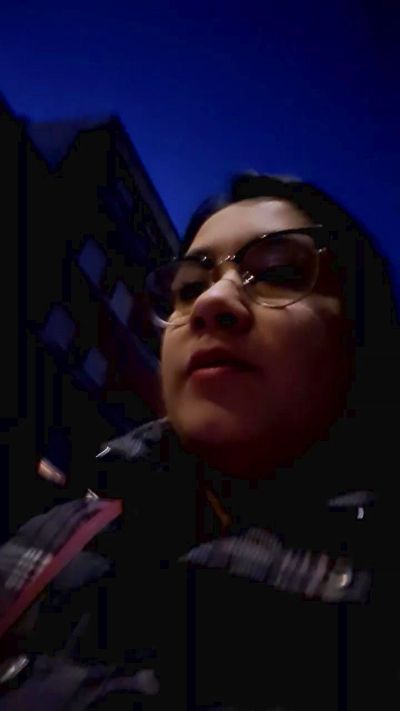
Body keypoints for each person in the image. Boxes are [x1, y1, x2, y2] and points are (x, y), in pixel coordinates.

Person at [1, 172, 400, 711]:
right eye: (189, 288)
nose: (213, 300)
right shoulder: (61, 531)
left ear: (363, 338)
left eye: (279, 273)